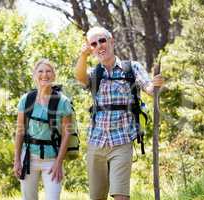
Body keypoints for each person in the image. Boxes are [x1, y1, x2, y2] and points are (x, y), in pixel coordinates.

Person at [74, 26, 164, 200]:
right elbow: (80, 77)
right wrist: (83, 56)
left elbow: (149, 88)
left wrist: (156, 85)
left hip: (122, 141)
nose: (99, 45)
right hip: (96, 142)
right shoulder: (95, 73)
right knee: (97, 197)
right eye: (93, 44)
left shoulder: (131, 68)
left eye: (102, 40)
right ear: (91, 49)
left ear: (111, 41)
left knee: (121, 196)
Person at [13, 59, 73, 200]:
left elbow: (67, 133)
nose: (44, 75)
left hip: (52, 159)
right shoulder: (26, 99)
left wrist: (59, 162)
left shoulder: (62, 101)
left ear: (54, 75)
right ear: (34, 75)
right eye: (40, 71)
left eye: (48, 71)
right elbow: (20, 130)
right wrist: (17, 160)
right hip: (28, 158)